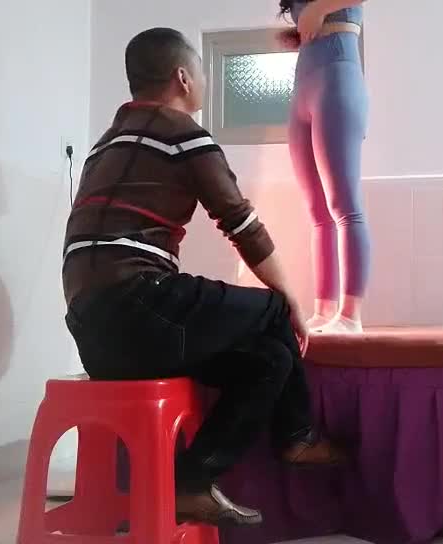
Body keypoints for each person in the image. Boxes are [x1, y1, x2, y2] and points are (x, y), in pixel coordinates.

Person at [61, 27, 343, 527]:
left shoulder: (103, 147)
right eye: (202, 75)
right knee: (273, 309)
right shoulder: (182, 133)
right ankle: (297, 437)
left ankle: (192, 482)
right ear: (183, 77)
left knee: (269, 360)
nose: (205, 84)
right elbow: (243, 226)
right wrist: (291, 303)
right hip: (137, 305)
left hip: (92, 333)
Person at [278, 0, 370, 334]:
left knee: (344, 206)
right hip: (304, 83)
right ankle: (325, 309)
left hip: (337, 78)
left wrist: (318, 9)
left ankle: (350, 316)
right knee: (318, 213)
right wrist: (301, 30)